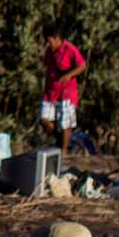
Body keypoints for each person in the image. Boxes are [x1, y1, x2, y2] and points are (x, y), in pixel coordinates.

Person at [40, 25, 87, 154]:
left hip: (66, 92)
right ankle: (60, 139)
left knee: (65, 123)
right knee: (44, 119)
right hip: (51, 91)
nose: (48, 44)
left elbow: (82, 65)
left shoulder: (70, 49)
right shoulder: (49, 51)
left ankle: (64, 150)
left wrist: (69, 75)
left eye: (49, 41)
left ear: (57, 39)